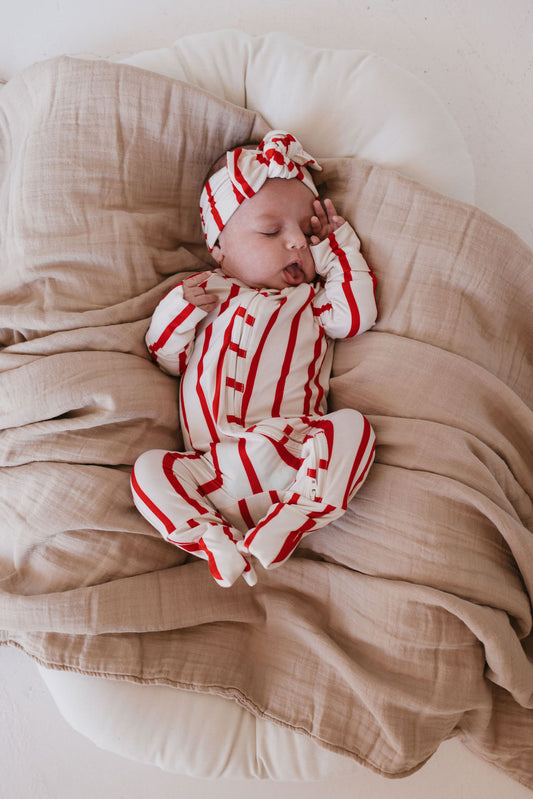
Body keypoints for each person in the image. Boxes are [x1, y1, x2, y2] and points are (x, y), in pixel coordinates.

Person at [131, 130, 377, 587]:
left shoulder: (309, 301)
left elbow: (356, 317)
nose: (296, 244)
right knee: (148, 469)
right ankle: (212, 540)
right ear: (218, 247)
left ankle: (295, 518)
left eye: (306, 233)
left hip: (296, 457)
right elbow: (165, 357)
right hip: (210, 471)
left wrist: (335, 247)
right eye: (270, 230)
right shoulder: (207, 294)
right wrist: (180, 309)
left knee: (353, 428)